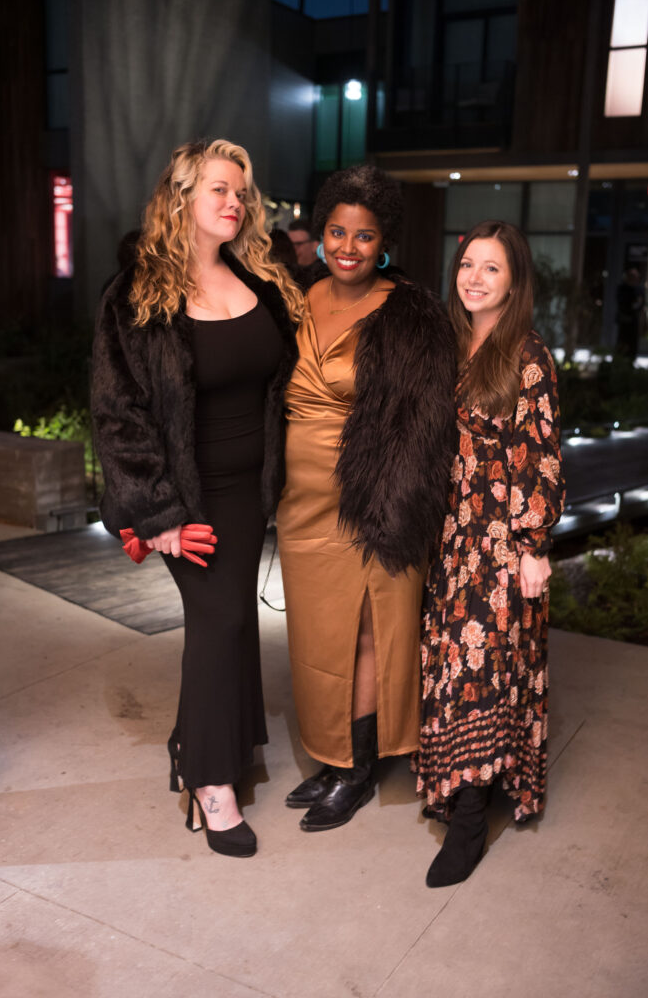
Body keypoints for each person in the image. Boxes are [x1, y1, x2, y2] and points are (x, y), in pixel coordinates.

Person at [92, 139, 301, 857]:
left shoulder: (258, 280)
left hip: (249, 492)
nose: (234, 201)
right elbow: (118, 415)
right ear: (180, 197)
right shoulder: (135, 296)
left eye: (241, 191)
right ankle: (210, 781)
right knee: (221, 623)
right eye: (218, 188)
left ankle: (202, 741)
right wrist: (158, 517)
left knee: (234, 622)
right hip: (185, 498)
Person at [276, 165, 456, 831]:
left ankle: (356, 767)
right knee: (317, 636)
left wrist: (397, 509)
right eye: (336, 231)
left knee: (368, 632)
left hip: (375, 499)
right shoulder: (294, 296)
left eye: (363, 235)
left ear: (384, 243)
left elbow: (428, 424)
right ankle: (330, 756)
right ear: (320, 233)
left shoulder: (410, 313)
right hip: (300, 502)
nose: (347, 247)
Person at [414, 220, 565, 888]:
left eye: (491, 268)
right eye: (467, 264)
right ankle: (457, 784)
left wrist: (533, 545)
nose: (473, 278)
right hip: (449, 536)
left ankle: (469, 823)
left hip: (501, 542)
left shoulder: (528, 356)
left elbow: (542, 455)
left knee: (479, 671)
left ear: (514, 280)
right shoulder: (450, 344)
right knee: (449, 668)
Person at [288, 217, 324, 290]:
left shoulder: (323, 276)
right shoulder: (286, 273)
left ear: (315, 245)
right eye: (290, 244)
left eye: (298, 244)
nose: (293, 249)